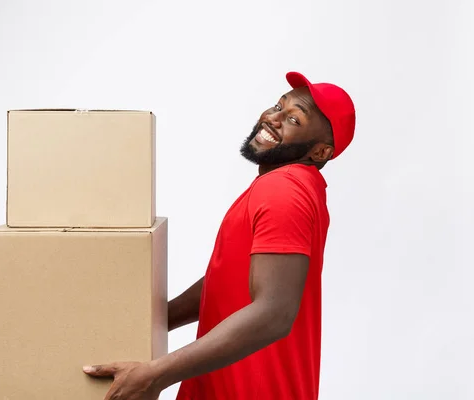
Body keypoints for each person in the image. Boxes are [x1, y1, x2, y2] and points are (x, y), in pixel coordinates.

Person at [83, 71, 356, 400]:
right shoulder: (290, 186)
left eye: (294, 120)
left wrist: (155, 375)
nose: (272, 118)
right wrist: (153, 321)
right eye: (277, 105)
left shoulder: (284, 190)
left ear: (320, 153)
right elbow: (233, 279)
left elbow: (275, 313)